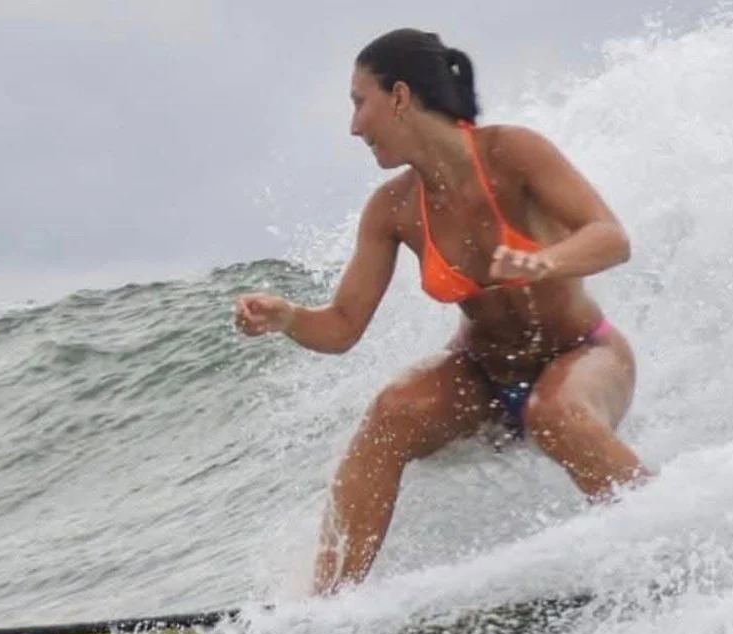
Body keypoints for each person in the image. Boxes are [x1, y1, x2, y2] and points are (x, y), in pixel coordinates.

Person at [234, 29, 650, 596]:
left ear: (400, 96)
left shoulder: (513, 153)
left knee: (556, 412)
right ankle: (325, 607)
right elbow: (341, 327)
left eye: (360, 102)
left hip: (584, 353)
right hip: (484, 378)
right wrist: (288, 318)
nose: (354, 126)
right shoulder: (393, 209)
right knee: (391, 414)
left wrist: (545, 262)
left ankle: (663, 545)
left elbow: (611, 238)